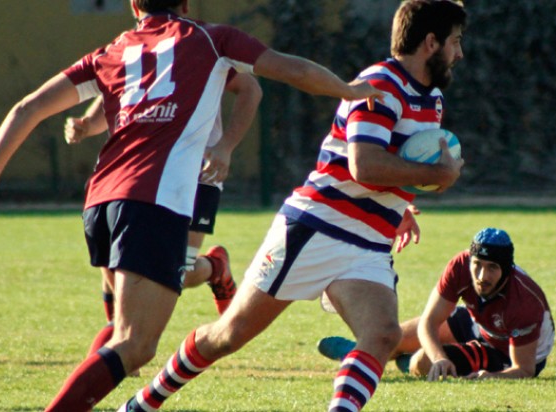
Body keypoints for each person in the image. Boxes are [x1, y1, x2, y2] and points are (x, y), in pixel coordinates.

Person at [0, 0, 382, 410]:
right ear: (186, 3)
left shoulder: (112, 50)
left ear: (135, 6)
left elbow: (28, 107)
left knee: (122, 334)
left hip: (100, 200)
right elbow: (292, 70)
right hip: (154, 200)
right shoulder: (211, 39)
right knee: (135, 345)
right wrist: (348, 88)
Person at [118, 1, 466, 411]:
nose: (459, 53)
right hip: (315, 228)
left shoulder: (432, 98)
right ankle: (142, 404)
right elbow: (364, 163)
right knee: (227, 335)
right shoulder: (381, 84)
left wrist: (401, 203)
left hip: (367, 241)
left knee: (384, 335)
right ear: (431, 42)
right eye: (456, 42)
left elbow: (394, 162)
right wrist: (438, 176)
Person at [67, 71, 261, 359]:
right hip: (133, 171)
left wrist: (226, 146)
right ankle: (117, 330)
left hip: (196, 172)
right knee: (113, 259)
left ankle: (215, 268)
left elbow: (250, 87)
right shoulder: (130, 45)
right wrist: (86, 124)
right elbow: (113, 90)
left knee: (175, 272)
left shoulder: (205, 44)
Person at [318, 228, 555, 380]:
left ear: (507, 270)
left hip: (504, 349)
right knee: (391, 337)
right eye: (478, 264)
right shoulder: (461, 267)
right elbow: (429, 322)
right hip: (479, 323)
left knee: (423, 362)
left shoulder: (523, 302)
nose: (482, 275)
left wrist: (492, 377)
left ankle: (407, 363)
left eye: (492, 267)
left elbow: (524, 370)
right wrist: (440, 357)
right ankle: (358, 353)